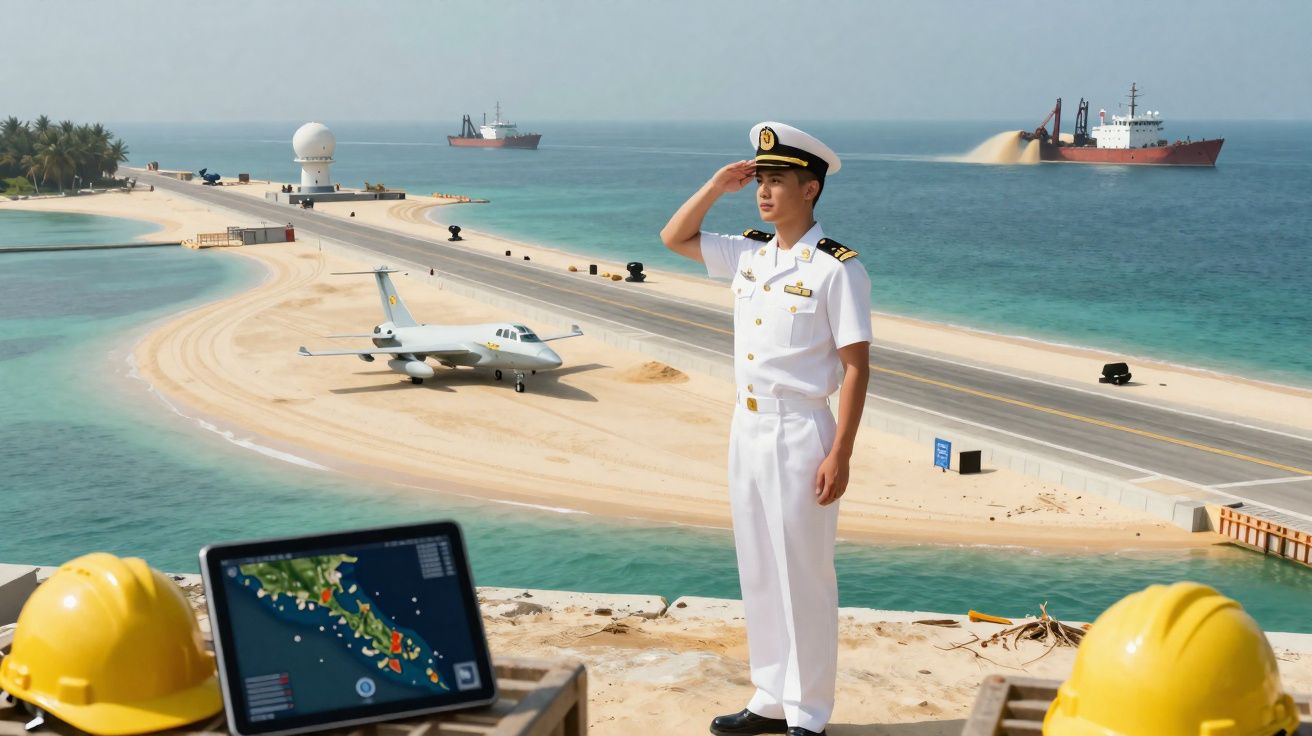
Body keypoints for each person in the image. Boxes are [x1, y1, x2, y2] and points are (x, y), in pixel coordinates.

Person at [659, 123, 871, 736]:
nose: (764, 192)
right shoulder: (750, 253)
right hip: (745, 428)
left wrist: (843, 453)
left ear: (811, 189)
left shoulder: (837, 270)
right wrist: (715, 185)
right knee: (758, 566)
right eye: (760, 180)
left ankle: (809, 712)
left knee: (804, 572)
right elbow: (674, 237)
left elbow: (856, 367)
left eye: (777, 181)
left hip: (803, 431)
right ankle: (770, 698)